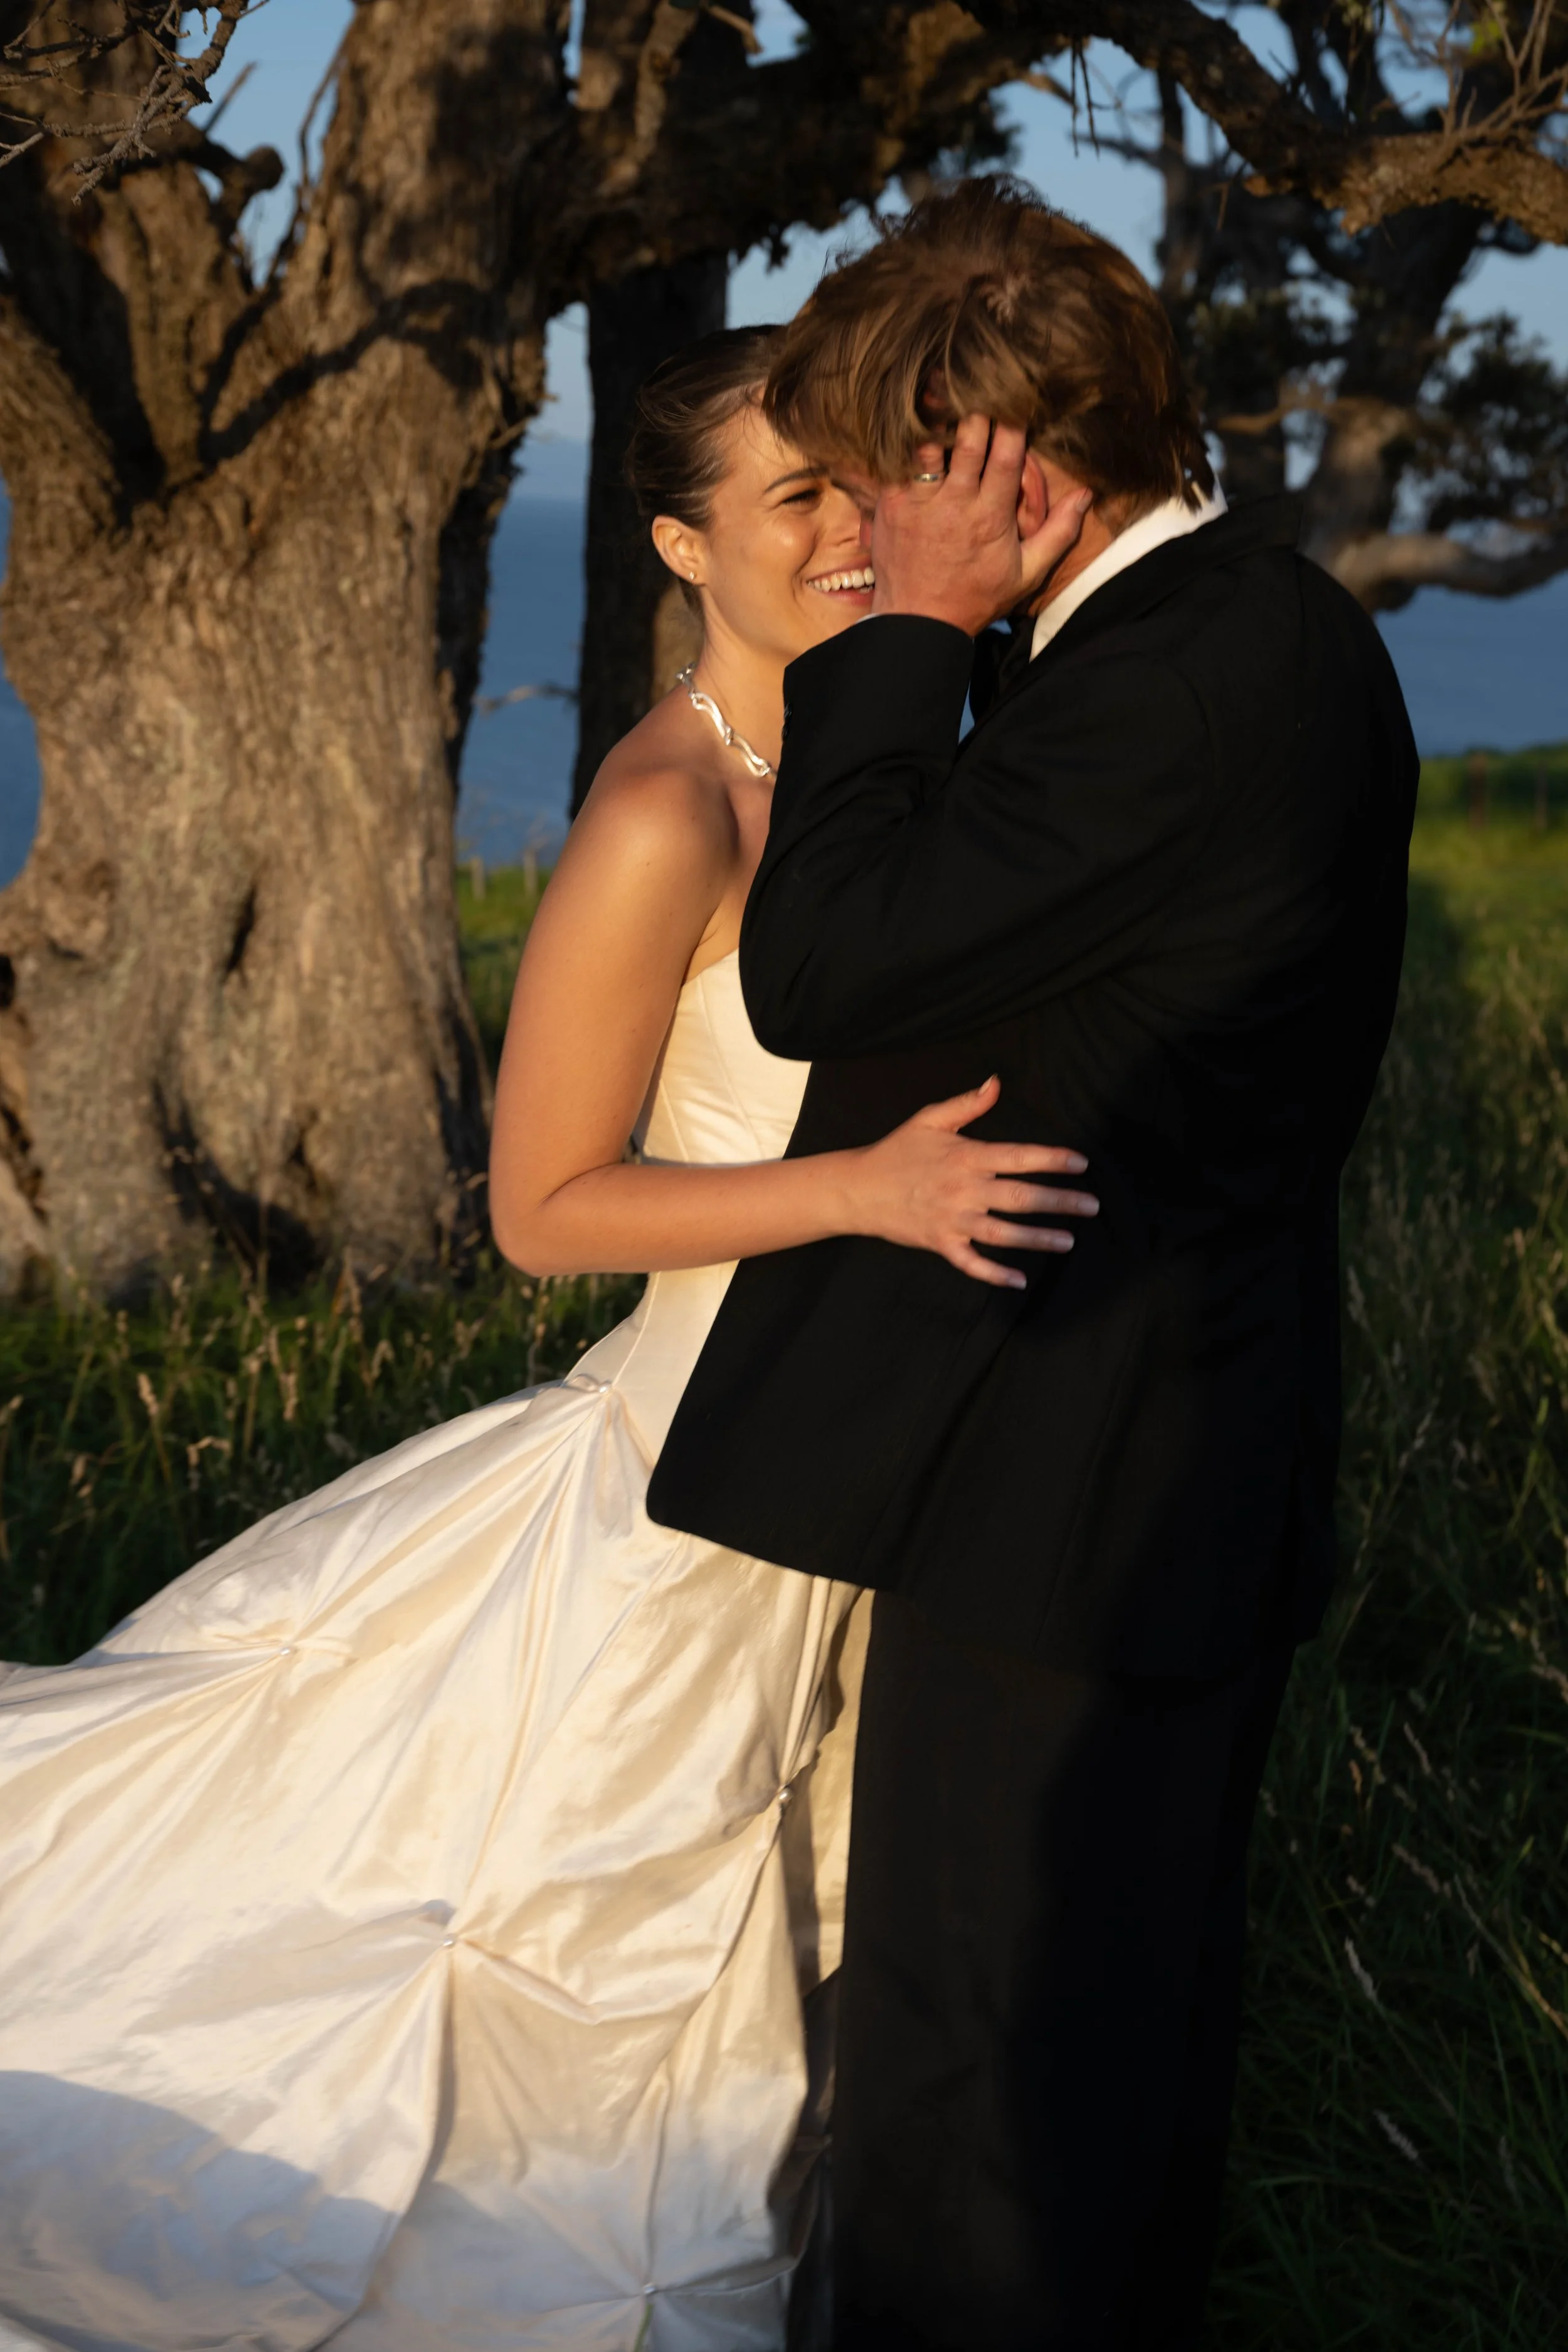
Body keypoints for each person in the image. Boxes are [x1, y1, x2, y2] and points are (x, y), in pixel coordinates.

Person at [0, 325, 1096, 2352]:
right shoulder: (665, 812)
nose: (853, 530)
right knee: (565, 1956)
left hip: (896, 1471)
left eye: (868, 482)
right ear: (682, 543)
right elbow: (540, 1208)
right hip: (701, 1484)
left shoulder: (912, 755)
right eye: (796, 499)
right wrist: (858, 1197)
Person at [649, 185, 1420, 2349]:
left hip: (1085, 1483)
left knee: (977, 2095)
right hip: (1130, 1464)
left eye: (888, 481)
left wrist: (907, 638)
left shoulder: (1182, 682)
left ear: (1010, 470)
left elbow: (822, 960)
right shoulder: (1235, 633)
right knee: (1082, 2080)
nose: (866, 534)